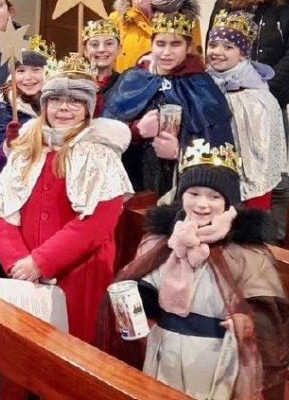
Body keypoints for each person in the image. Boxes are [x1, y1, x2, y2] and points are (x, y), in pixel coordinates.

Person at [106, 140, 289, 400]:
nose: (202, 204)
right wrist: (139, 302)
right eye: (193, 194)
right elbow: (145, 280)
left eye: (214, 197)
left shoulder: (244, 251)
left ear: (228, 203)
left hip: (215, 357)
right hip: (163, 348)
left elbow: (267, 309)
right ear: (182, 196)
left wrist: (247, 322)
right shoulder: (161, 241)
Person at [0, 53, 134, 343]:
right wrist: (18, 264)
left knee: (73, 349)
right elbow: (2, 213)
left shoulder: (100, 153)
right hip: (25, 275)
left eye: (76, 101)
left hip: (79, 274)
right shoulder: (28, 148)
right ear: (44, 105)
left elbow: (96, 224)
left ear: (88, 108)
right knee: (26, 349)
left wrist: (41, 262)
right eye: (55, 100)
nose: (64, 108)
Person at [102, 12, 234, 198]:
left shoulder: (202, 87)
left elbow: (218, 148)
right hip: (129, 181)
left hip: (180, 189)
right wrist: (136, 130)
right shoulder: (133, 77)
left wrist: (180, 152)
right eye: (161, 44)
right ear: (152, 45)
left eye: (176, 44)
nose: (166, 53)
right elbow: (103, 131)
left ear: (188, 47)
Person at [205, 10, 287, 211]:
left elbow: (264, 156)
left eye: (228, 47)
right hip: (210, 182)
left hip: (251, 189)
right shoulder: (203, 85)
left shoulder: (260, 99)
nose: (217, 51)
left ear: (242, 54)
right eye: (213, 45)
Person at [0, 34, 53, 170]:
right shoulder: (2, 112)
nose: (28, 77)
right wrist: (9, 144)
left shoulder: (57, 104)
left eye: (36, 70)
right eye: (21, 71)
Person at [81, 19, 122, 105]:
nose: (102, 49)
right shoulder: (75, 82)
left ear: (119, 48)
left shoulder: (124, 85)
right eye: (94, 45)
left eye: (109, 44)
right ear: (85, 50)